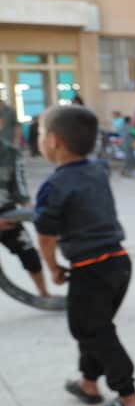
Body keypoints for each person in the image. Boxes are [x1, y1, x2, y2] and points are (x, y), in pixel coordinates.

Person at [33, 105, 135, 406]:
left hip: (89, 268)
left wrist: (54, 267)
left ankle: (128, 396)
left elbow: (45, 235)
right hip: (118, 263)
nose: (39, 140)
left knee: (90, 329)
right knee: (95, 325)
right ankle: (87, 383)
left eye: (42, 134)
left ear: (54, 141)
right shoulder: (98, 170)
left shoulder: (53, 186)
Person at [0, 116, 50, 299]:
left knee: (29, 254)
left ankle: (43, 294)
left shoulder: (11, 153)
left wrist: (30, 209)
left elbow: (20, 187)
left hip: (8, 214)